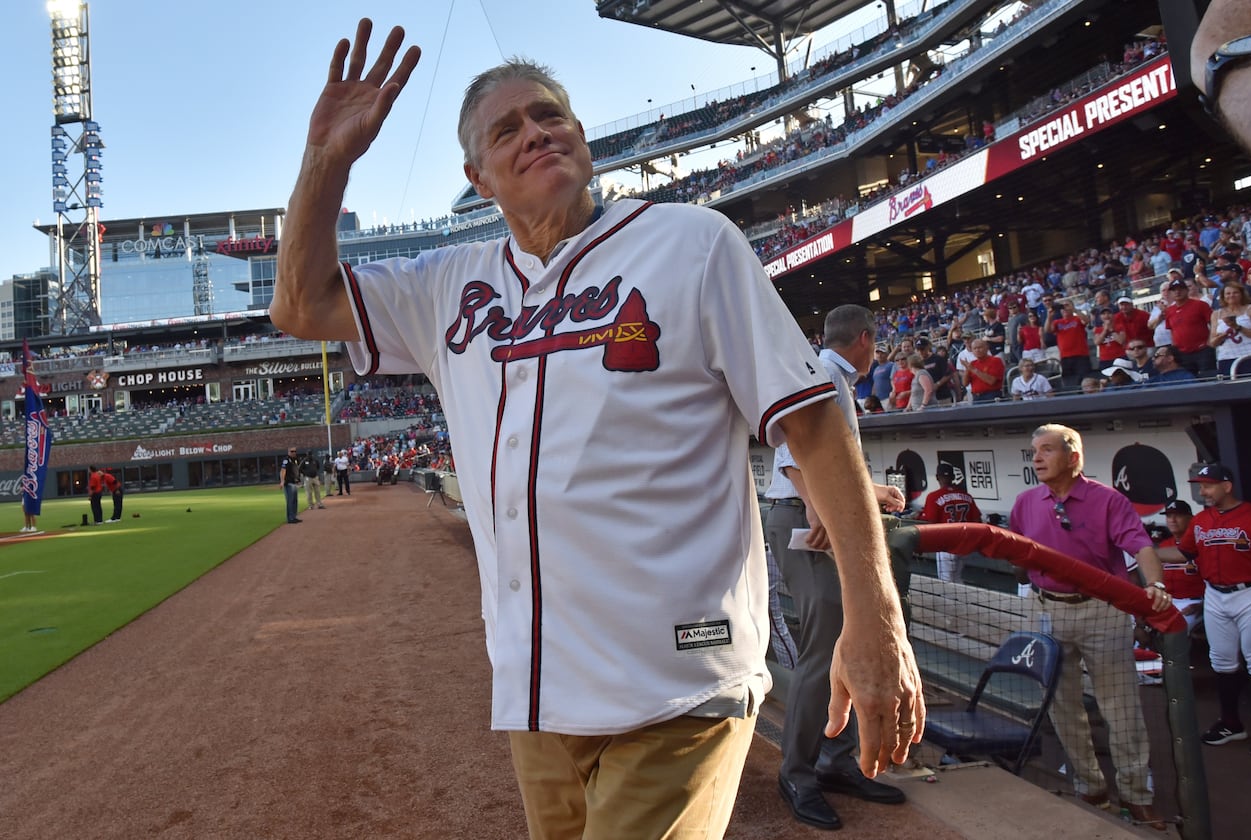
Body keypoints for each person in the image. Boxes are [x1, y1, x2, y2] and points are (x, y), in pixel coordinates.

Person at [269, 23, 922, 838]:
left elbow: (816, 425)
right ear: (477, 178)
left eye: (551, 117)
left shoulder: (692, 243)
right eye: (506, 130)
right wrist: (326, 161)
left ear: (581, 138)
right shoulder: (448, 286)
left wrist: (875, 616)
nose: (536, 132)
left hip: (677, 681)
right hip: (539, 695)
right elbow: (299, 304)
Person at [767, 304, 909, 831]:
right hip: (805, 523)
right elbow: (788, 453)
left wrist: (871, 492)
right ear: (866, 339)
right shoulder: (824, 370)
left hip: (815, 518)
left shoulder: (831, 374)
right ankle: (798, 772)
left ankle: (833, 759)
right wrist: (821, 505)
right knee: (826, 647)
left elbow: (824, 465)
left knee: (850, 635)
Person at [1008, 424, 1170, 829]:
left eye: (1047, 450)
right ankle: (1090, 787)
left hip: (1102, 609)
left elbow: (1141, 546)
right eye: (1034, 452)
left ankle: (1136, 794)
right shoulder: (1026, 501)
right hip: (1048, 609)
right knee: (1063, 707)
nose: (1038, 458)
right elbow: (1012, 554)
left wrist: (1156, 585)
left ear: (1073, 457)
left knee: (1122, 708)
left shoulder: (1108, 500)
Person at [1159, 465, 1251, 757]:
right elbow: (1184, 553)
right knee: (1222, 660)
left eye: (1208, 486)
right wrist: (1148, 551)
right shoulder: (1202, 520)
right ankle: (1231, 723)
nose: (1202, 491)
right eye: (1200, 485)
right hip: (1215, 593)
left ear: (1227, 487)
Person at [918, 462, 982, 582]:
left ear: (937, 477)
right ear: (953, 477)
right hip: (964, 544)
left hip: (946, 545)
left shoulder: (933, 496)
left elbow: (930, 523)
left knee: (946, 583)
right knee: (957, 579)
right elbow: (978, 521)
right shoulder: (966, 495)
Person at [1156, 500, 1205, 635]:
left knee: (1176, 632)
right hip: (1167, 602)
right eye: (1169, 516)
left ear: (1190, 518)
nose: (1172, 520)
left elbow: (1213, 581)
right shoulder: (1163, 546)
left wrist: (1202, 605)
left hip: (1192, 602)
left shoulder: (1200, 544)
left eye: (1178, 515)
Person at [1149, 277, 1214, 376]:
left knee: (1208, 378)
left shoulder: (1200, 305)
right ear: (1170, 293)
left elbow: (1213, 323)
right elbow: (1172, 331)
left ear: (1187, 290)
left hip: (1202, 350)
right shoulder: (1169, 311)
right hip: (1182, 353)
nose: (1177, 292)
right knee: (1188, 381)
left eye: (1180, 289)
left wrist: (1210, 343)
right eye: (1174, 290)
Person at [1207, 280, 1251, 377]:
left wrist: (1238, 327)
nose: (1231, 295)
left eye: (1235, 292)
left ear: (1241, 294)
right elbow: (1212, 342)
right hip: (1227, 358)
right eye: (1228, 293)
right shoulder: (1216, 314)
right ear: (1223, 296)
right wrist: (1222, 336)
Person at [1046, 298, 1091, 392]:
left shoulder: (1077, 318)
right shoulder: (1057, 322)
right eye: (1063, 307)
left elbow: (1086, 321)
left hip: (1081, 355)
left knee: (1084, 381)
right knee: (1070, 383)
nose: (1065, 308)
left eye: (1067, 305)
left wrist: (1074, 309)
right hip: (1066, 357)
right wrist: (1049, 316)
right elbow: (1047, 330)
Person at [960, 338, 1004, 403]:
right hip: (976, 397)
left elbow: (991, 381)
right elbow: (965, 383)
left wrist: (973, 369)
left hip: (991, 396)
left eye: (980, 347)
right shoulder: (972, 363)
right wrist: (967, 369)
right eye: (975, 348)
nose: (977, 350)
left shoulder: (995, 360)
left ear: (987, 348)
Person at [281, 447, 302, 524]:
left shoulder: (295, 460)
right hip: (288, 483)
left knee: (294, 501)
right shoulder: (286, 460)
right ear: (288, 452)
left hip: (294, 482)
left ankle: (294, 516)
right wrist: (282, 481)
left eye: (295, 451)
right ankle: (290, 518)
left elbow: (296, 471)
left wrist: (298, 480)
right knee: (290, 501)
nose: (294, 452)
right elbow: (283, 470)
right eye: (292, 451)